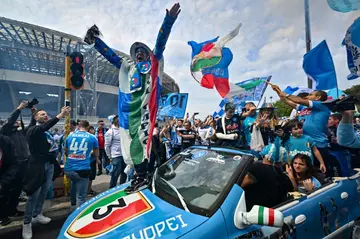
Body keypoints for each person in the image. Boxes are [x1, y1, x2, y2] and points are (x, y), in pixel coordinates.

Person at [84, 3, 181, 193]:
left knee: (140, 144)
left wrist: (168, 20)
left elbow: (160, 44)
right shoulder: (128, 68)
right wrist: (95, 42)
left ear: (147, 55)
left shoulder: (152, 64)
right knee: (130, 147)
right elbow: (111, 56)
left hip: (143, 111)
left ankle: (143, 177)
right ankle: (139, 176)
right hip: (129, 112)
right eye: (136, 52)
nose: (139, 53)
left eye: (142, 52)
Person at [269, 83, 341, 177]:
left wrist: (284, 93)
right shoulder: (304, 108)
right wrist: (277, 91)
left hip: (318, 145)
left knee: (320, 172)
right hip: (304, 143)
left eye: (311, 95)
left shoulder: (321, 105)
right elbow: (286, 101)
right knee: (306, 171)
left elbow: (298, 100)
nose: (308, 96)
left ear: (318, 97)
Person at [22, 106, 70, 239]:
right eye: (42, 114)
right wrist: (60, 114)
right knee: (34, 194)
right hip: (37, 166)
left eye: (46, 114)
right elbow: (43, 127)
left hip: (49, 164)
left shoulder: (46, 132)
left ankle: (37, 214)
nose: (45, 115)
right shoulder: (34, 130)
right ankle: (27, 223)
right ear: (36, 118)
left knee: (44, 190)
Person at [0, 101, 36, 221]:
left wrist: (33, 115)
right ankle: (3, 215)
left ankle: (12, 210)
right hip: (11, 167)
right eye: (14, 121)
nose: (16, 122)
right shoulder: (6, 132)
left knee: (17, 190)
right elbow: (10, 121)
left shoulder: (20, 133)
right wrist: (19, 109)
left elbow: (31, 126)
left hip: (23, 165)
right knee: (6, 192)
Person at [241, 139, 293, 211]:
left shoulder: (258, 168)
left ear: (265, 156)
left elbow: (239, 185)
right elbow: (292, 188)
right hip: (271, 213)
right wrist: (291, 174)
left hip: (250, 213)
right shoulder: (283, 177)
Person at [64, 120, 99, 210]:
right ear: (88, 127)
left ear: (79, 126)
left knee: (73, 185)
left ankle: (72, 207)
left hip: (69, 168)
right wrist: (95, 157)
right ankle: (78, 216)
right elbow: (96, 152)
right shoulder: (92, 137)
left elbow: (66, 150)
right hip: (82, 168)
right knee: (81, 196)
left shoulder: (70, 135)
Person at [0, 135, 18, 226]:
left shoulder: (6, 142)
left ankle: (4, 217)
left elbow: (13, 164)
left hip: (3, 179)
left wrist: (3, 182)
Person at [105, 115, 127, 188]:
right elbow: (107, 146)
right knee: (115, 174)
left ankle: (122, 188)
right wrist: (110, 157)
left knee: (124, 173)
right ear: (115, 121)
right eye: (118, 120)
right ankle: (111, 189)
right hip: (116, 156)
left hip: (124, 155)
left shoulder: (123, 130)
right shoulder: (110, 132)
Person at [87, 126, 97, 195]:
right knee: (89, 176)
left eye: (93, 129)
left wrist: (97, 158)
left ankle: (89, 189)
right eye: (91, 129)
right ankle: (87, 190)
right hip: (88, 160)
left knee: (92, 176)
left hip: (93, 159)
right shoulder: (89, 138)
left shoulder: (94, 137)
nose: (92, 130)